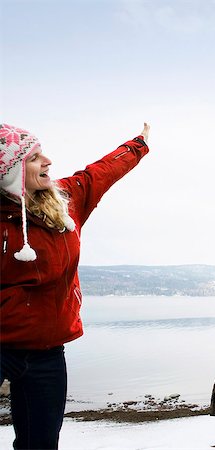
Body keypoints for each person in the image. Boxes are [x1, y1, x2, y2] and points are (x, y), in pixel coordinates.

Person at [0, 122, 150, 449]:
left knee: (39, 444)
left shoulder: (66, 201)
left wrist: (137, 145)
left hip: (48, 354)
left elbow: (101, 172)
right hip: (3, 348)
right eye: (35, 157)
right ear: (10, 170)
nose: (48, 161)